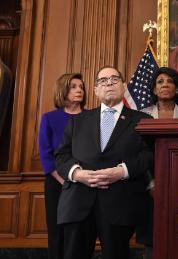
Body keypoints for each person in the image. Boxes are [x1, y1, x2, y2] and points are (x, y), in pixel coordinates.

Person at [55, 66, 153, 259]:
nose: (109, 83)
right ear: (96, 90)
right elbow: (61, 156)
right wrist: (77, 174)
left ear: (124, 86)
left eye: (114, 79)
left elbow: (149, 155)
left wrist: (122, 171)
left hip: (119, 202)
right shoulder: (78, 121)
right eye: (103, 81)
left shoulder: (143, 120)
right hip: (78, 201)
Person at [136, 67, 178, 259]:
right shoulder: (141, 116)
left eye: (170, 81)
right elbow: (138, 152)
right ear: (154, 90)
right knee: (153, 238)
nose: (165, 84)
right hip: (149, 184)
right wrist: (151, 184)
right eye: (160, 81)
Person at [38, 73, 86, 259]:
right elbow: (45, 154)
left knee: (80, 233)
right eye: (73, 86)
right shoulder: (49, 118)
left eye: (81, 87)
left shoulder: (90, 116)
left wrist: (80, 178)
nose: (79, 90)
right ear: (63, 90)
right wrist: (63, 179)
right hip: (56, 183)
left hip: (83, 184)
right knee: (57, 231)